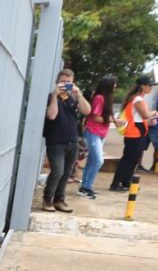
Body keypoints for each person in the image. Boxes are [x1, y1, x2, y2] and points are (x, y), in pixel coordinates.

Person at [42, 68, 92, 212]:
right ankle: (47, 200)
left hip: (72, 140)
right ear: (57, 82)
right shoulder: (51, 97)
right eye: (63, 82)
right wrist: (54, 96)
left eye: (69, 82)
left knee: (67, 172)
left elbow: (87, 111)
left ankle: (59, 200)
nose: (66, 85)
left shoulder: (72, 98)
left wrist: (79, 95)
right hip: (55, 141)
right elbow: (51, 116)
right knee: (57, 171)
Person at [110, 76, 157, 192]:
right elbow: (145, 115)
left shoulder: (139, 99)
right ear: (143, 86)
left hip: (138, 132)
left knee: (133, 159)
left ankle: (126, 182)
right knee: (128, 159)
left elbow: (143, 117)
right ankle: (116, 183)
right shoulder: (138, 100)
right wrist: (154, 113)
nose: (151, 88)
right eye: (149, 85)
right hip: (134, 132)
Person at [79, 75, 118, 199]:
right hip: (93, 131)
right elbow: (95, 117)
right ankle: (85, 187)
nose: (116, 86)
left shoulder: (105, 98)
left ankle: (86, 186)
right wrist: (111, 119)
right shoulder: (100, 98)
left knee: (92, 160)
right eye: (114, 84)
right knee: (98, 161)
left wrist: (111, 120)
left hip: (99, 133)